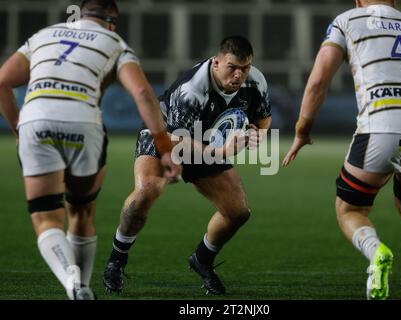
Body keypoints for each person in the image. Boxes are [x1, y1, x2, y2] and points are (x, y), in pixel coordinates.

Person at [0, 0, 180, 300]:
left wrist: (18, 125)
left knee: (45, 216)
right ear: (112, 22)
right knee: (82, 210)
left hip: (37, 120)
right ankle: (81, 285)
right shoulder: (114, 42)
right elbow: (142, 93)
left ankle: (72, 283)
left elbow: (3, 80)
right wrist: (163, 147)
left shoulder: (45, 34)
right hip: (83, 123)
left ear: (79, 16)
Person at [282, 0, 401, 300]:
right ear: (395, 1)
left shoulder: (347, 20)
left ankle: (377, 254)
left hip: (382, 125)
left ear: (359, 1)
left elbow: (318, 81)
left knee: (350, 208)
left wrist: (301, 131)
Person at [103, 35, 272, 295]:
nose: (239, 75)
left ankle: (202, 259)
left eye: (245, 67)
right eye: (232, 67)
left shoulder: (256, 81)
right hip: (164, 133)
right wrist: (220, 150)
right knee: (146, 190)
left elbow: (263, 120)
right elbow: (175, 140)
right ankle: (117, 259)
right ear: (216, 63)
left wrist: (256, 136)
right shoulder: (192, 89)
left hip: (205, 140)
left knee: (238, 212)